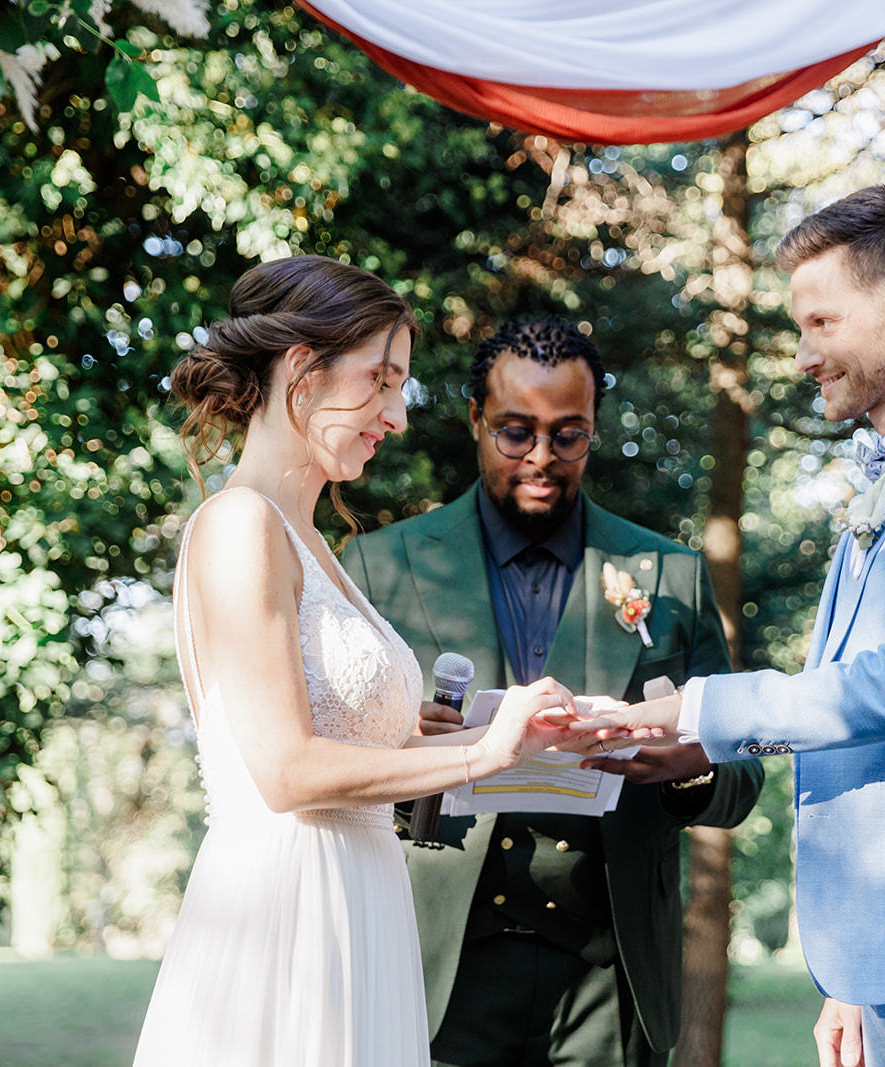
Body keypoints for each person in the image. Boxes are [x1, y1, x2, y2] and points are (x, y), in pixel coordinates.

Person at [570, 187, 885, 1067]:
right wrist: (855, 969)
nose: (805, 354)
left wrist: (695, 708)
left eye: (822, 322)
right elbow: (865, 726)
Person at [132, 256, 581, 1067]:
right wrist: (485, 750)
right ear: (303, 370)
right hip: (287, 912)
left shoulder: (314, 543)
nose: (397, 415)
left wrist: (524, 736)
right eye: (381, 380)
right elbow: (286, 769)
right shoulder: (240, 523)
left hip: (361, 899)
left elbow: (365, 751)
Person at [342, 316, 765, 1067]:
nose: (542, 458)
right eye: (515, 432)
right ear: (476, 418)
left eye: (568, 435)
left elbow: (739, 776)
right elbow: (333, 766)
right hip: (436, 965)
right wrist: (403, 741)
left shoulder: (668, 572)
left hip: (608, 978)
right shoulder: (383, 564)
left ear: (593, 427)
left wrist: (687, 766)